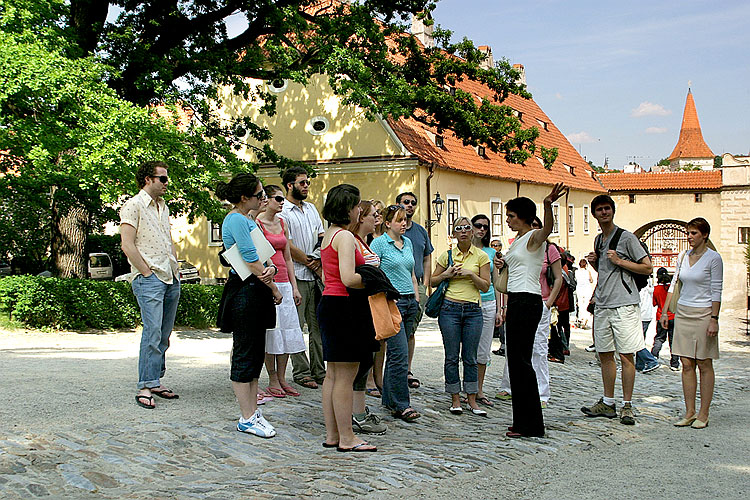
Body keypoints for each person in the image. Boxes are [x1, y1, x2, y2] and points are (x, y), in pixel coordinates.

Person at [493, 184, 566, 437]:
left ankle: (532, 424)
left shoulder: (534, 238)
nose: (507, 220)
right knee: (516, 361)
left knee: (521, 362)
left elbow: (547, 228)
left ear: (523, 216)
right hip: (517, 299)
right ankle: (524, 419)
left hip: (527, 300)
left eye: (511, 215)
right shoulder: (517, 242)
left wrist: (547, 204)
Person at [215, 173, 282, 438]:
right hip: (246, 290)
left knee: (255, 353)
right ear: (245, 198)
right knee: (245, 352)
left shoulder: (248, 220)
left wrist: (272, 269)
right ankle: (246, 415)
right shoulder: (235, 219)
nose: (263, 198)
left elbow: (264, 257)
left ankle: (253, 411)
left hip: (256, 288)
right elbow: (250, 258)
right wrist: (273, 286)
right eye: (258, 195)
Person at [582, 194, 652, 426]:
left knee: (626, 355)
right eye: (600, 210)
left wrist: (621, 261)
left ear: (613, 211)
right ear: (594, 214)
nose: (604, 213)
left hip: (624, 303)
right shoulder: (599, 240)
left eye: (607, 209)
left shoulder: (627, 238)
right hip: (603, 304)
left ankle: (628, 405)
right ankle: (608, 402)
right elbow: (606, 272)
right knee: (604, 354)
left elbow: (647, 267)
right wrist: (596, 262)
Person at [318, 184, 378, 452]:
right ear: (347, 209)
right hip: (345, 306)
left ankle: (333, 435)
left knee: (332, 375)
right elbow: (348, 278)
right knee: (345, 376)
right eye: (356, 206)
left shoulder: (329, 235)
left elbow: (326, 276)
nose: (358, 211)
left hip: (331, 303)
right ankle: (347, 437)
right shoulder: (343, 237)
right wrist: (371, 275)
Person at [120, 161, 182, 410]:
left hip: (171, 276)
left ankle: (155, 380)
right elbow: (127, 244)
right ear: (148, 179)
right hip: (151, 278)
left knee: (164, 335)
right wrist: (145, 272)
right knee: (152, 332)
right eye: (163, 179)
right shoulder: (133, 205)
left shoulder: (163, 206)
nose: (167, 183)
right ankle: (145, 385)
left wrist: (175, 268)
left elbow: (168, 241)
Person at [661, 218, 722, 429]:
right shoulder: (682, 256)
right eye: (688, 233)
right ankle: (689, 411)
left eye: (694, 233)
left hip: (704, 313)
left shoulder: (714, 259)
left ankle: (704, 413)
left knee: (704, 363)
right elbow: (674, 283)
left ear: (704, 235)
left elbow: (716, 290)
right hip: (684, 311)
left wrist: (714, 319)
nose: (689, 237)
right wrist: (666, 311)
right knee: (687, 364)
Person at [496, 215, 562, 408]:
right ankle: (510, 388)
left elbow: (558, 278)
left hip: (537, 301)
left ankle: (542, 393)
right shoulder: (517, 244)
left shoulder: (549, 249)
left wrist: (548, 302)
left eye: (536, 226)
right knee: (514, 349)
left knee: (538, 349)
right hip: (517, 300)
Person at [431, 217, 491, 417]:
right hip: (450, 309)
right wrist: (447, 274)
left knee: (470, 357)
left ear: (472, 232)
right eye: (459, 229)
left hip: (473, 310)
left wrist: (470, 275)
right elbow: (432, 281)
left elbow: (485, 285)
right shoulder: (446, 255)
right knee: (451, 356)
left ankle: (472, 399)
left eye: (467, 228)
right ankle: (455, 398)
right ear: (454, 234)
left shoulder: (481, 256)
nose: (464, 231)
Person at [371, 205, 421, 422]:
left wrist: (417, 298)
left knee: (396, 355)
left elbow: (411, 272)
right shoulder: (379, 243)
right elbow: (374, 273)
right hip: (393, 303)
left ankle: (390, 400)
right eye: (399, 220)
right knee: (399, 354)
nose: (404, 223)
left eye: (405, 220)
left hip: (410, 302)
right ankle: (402, 404)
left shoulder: (407, 242)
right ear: (388, 223)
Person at [257, 185, 306, 398]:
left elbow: (288, 257)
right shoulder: (258, 223)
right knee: (272, 332)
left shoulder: (282, 223)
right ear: (266, 200)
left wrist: (294, 286)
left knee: (286, 331)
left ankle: (283, 377)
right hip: (270, 282)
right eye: (277, 198)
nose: (281, 202)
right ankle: (272, 378)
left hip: (285, 280)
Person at [279, 167, 325, 389]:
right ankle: (301, 371)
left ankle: (319, 370)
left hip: (315, 274)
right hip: (295, 275)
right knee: (296, 326)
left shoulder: (312, 209)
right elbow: (286, 243)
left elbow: (321, 236)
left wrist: (316, 260)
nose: (306, 186)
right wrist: (309, 262)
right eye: (302, 183)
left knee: (317, 326)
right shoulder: (282, 211)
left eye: (307, 182)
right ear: (290, 185)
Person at [348, 200, 388, 435]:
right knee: (357, 362)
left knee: (365, 360)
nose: (377, 218)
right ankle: (355, 413)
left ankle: (359, 411)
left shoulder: (365, 242)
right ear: (361, 217)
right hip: (357, 305)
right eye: (374, 214)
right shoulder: (352, 241)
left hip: (368, 305)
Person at [398, 191, 434, 389]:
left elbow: (427, 256)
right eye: (406, 202)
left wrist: (426, 284)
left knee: (410, 331)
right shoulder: (394, 231)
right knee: (393, 330)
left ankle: (407, 369)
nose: (410, 205)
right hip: (397, 286)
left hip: (417, 284)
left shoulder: (420, 231)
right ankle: (392, 369)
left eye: (413, 203)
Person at [471, 214, 501, 407]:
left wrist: (500, 308)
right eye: (478, 225)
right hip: (468, 302)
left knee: (483, 350)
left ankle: (479, 389)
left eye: (485, 227)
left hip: (488, 303)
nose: (482, 229)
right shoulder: (463, 251)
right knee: (467, 349)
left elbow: (497, 283)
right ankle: (467, 387)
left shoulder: (492, 253)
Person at [652, 267, 680, 371]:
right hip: (673, 316)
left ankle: (653, 357)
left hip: (661, 316)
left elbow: (654, 304)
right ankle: (675, 363)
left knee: (659, 338)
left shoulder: (656, 289)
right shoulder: (673, 290)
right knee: (673, 341)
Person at [634, 278, 660, 373]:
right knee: (640, 340)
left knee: (637, 341)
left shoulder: (642, 287)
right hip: (647, 315)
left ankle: (650, 360)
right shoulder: (650, 286)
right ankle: (639, 364)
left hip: (641, 315)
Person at [575, 258, 596, 329]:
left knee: (580, 304)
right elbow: (591, 280)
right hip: (587, 289)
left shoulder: (576, 272)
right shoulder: (588, 272)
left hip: (579, 289)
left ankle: (581, 319)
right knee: (586, 304)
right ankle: (586, 320)